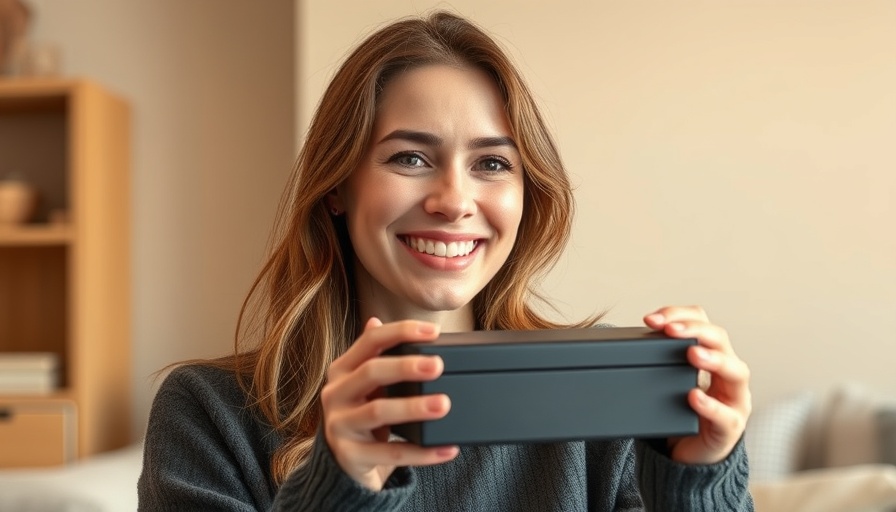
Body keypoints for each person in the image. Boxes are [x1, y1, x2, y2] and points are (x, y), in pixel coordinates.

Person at [138, 10, 753, 511]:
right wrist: (337, 489)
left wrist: (698, 484)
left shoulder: (605, 404)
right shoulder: (210, 413)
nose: (454, 201)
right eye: (410, 158)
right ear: (337, 186)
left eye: (492, 164)